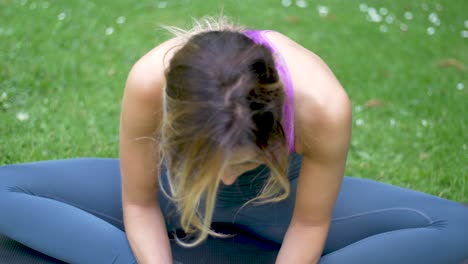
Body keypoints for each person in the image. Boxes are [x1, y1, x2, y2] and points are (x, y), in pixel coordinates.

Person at [0, 16, 467, 264]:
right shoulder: (149, 80)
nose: (224, 178)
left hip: (279, 203)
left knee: (458, 228)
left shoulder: (322, 107)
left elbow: (308, 226)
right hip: (172, 195)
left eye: (242, 162)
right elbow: (139, 205)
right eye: (207, 160)